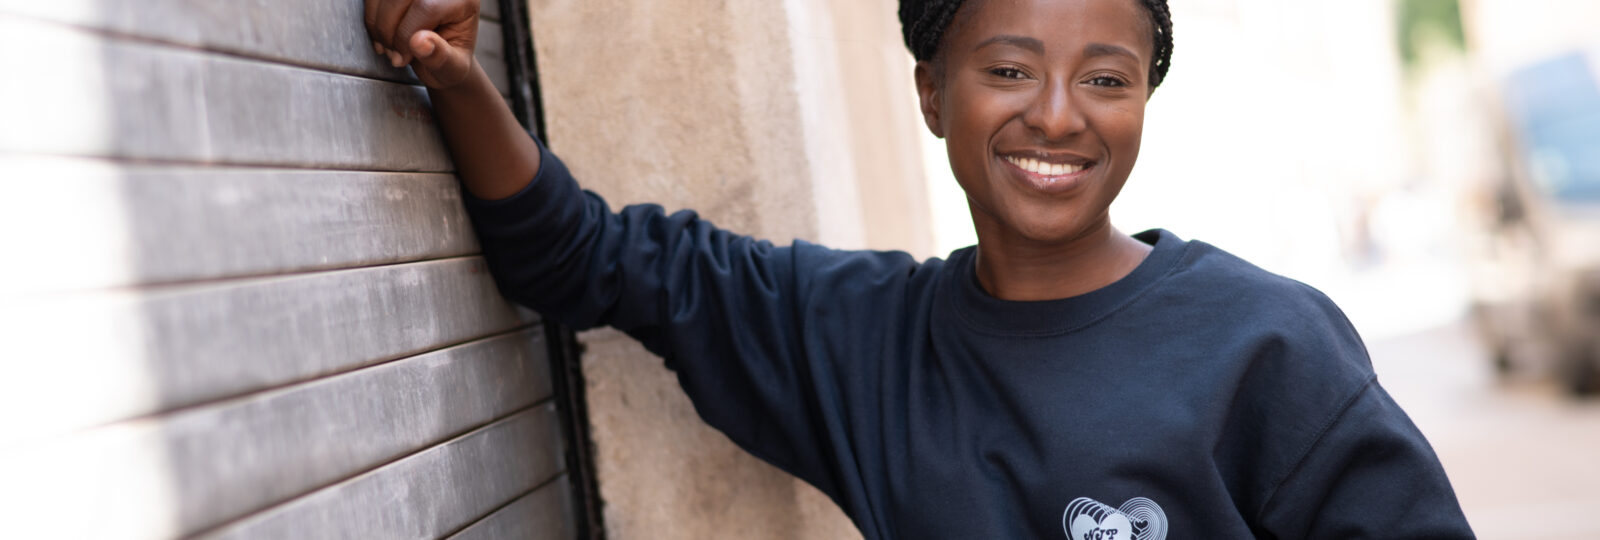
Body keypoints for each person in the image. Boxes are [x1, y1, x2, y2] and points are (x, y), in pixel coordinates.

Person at [363, 0, 1476, 537]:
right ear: (932, 93)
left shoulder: (1267, 347)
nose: (1057, 117)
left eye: (1106, 79)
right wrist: (455, 77)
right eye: (1007, 68)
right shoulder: (859, 340)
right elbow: (579, 258)